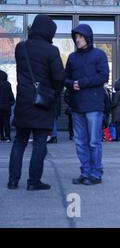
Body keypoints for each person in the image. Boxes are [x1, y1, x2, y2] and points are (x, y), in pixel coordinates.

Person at [8, 15, 65, 191]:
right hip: (41, 103)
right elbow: (59, 78)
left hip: (23, 102)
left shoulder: (21, 47)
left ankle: (13, 180)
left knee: (19, 142)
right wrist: (54, 92)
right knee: (40, 142)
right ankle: (33, 181)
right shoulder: (51, 51)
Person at [65, 23, 109, 186]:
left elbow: (104, 76)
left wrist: (81, 83)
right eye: (76, 37)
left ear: (88, 38)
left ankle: (96, 174)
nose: (77, 39)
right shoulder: (72, 57)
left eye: (80, 36)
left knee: (93, 142)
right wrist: (71, 84)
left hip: (94, 105)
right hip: (77, 106)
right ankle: (85, 173)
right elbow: (65, 78)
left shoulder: (99, 55)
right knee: (80, 142)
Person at [0, 70, 15, 143]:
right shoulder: (7, 84)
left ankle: (1, 136)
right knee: (6, 123)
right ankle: (7, 137)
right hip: (6, 107)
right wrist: (11, 102)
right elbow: (11, 96)